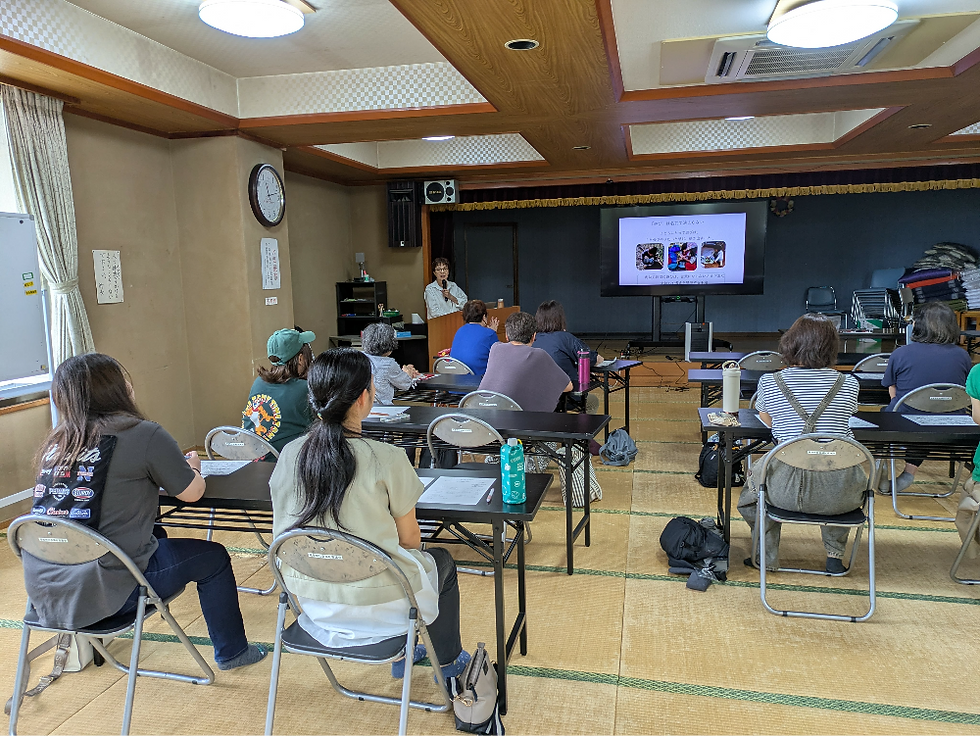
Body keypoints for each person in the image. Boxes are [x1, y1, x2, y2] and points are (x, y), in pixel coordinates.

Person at [24, 353, 264, 670]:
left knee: (155, 533)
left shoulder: (56, 444)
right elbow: (191, 493)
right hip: (106, 590)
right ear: (119, 389)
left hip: (45, 594)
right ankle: (233, 653)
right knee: (213, 557)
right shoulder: (143, 434)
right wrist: (194, 468)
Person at [269, 349, 469, 680]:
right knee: (441, 560)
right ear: (365, 397)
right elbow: (410, 540)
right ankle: (445, 664)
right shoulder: (387, 458)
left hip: (311, 602)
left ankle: (409, 653)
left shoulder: (290, 454)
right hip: (385, 601)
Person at [737, 313, 865, 573]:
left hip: (784, 489)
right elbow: (848, 415)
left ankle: (766, 556)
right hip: (841, 494)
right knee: (840, 474)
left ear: (790, 343)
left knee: (751, 498)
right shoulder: (849, 384)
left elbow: (768, 421)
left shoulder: (770, 382)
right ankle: (834, 556)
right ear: (832, 347)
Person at [880, 302, 972, 491]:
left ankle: (881, 474)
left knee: (897, 413)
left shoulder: (901, 353)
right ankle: (908, 473)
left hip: (906, 424)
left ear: (917, 325)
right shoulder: (962, 356)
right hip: (953, 424)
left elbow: (893, 393)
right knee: (931, 414)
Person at [479, 311, 572, 412]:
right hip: (516, 422)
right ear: (533, 336)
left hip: (483, 415)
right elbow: (568, 386)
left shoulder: (495, 348)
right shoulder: (539, 355)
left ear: (506, 335)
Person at [242, 328, 315, 454]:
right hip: (285, 463)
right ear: (301, 359)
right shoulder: (305, 389)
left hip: (252, 460)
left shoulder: (258, 383)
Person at [532, 300, 604, 413]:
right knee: (592, 401)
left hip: (538, 399)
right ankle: (582, 430)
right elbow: (590, 358)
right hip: (565, 397)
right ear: (560, 318)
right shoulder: (565, 338)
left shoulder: (532, 339)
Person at [362, 322, 420, 405]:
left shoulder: (359, 358)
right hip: (382, 407)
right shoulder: (388, 364)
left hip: (362, 407)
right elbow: (405, 384)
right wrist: (407, 372)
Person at [450, 299, 499, 375]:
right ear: (484, 317)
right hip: (477, 380)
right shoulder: (489, 334)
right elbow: (499, 358)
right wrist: (492, 332)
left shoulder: (460, 331)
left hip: (457, 378)